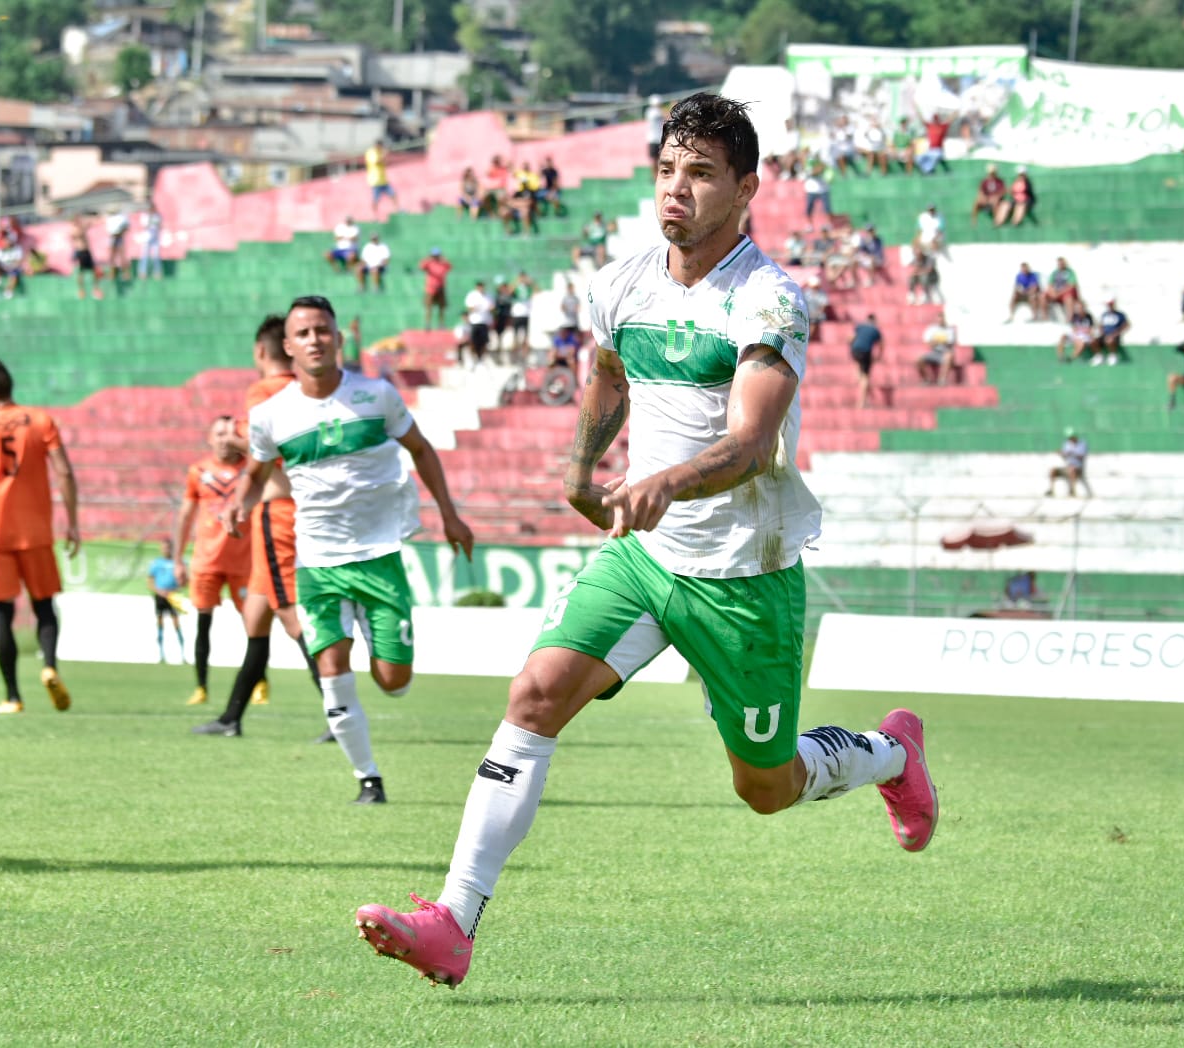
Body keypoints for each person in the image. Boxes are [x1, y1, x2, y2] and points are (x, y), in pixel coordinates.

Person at [354, 93, 937, 989]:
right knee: (535, 693)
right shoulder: (621, 281)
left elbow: (748, 443)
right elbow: (609, 372)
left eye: (701, 174)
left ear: (745, 188)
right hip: (644, 555)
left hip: (743, 572)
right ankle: (451, 922)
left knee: (766, 788)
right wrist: (580, 468)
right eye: (667, 170)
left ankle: (893, 755)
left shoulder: (770, 299)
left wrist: (665, 479)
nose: (677, 189)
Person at [219, 294, 475, 805]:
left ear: (338, 336)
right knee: (332, 668)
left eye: (322, 330)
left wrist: (449, 513)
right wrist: (237, 503)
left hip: (379, 555)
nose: (314, 339)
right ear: (288, 346)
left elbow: (421, 449)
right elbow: (256, 470)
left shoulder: (377, 395)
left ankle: (379, 654)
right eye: (304, 333)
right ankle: (368, 779)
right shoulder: (271, 415)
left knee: (393, 681)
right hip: (316, 562)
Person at [190, 316, 331, 735]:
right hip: (292, 510)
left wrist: (232, 439)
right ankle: (231, 718)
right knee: (256, 615)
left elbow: (263, 444)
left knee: (289, 614)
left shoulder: (264, 391)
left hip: (278, 514)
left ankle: (337, 710)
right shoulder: (307, 390)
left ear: (259, 351)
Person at [0, 358, 80, 715]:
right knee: (44, 606)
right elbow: (65, 472)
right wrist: (72, 522)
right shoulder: (41, 420)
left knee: (2, 614)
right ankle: (50, 667)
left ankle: (12, 696)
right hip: (36, 528)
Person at [173, 417, 254, 707]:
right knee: (203, 625)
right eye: (219, 433)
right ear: (209, 438)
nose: (224, 439)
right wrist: (178, 560)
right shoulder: (199, 471)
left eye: (230, 434)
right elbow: (185, 516)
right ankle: (201, 686)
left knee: (255, 626)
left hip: (245, 560)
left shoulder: (252, 469)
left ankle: (259, 683)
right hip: (207, 561)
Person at [148, 538, 186, 664]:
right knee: (160, 624)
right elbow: (150, 581)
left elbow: (185, 580)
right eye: (164, 547)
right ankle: (161, 655)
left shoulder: (178, 563)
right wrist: (159, 591)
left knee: (176, 624)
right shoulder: (156, 563)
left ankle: (183, 655)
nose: (166, 549)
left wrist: (176, 589)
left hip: (173, 596)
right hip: (160, 596)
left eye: (168, 547)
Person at [850, 312, 884, 409]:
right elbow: (882, 345)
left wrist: (851, 348)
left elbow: (850, 338)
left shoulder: (860, 327)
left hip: (855, 350)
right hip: (865, 352)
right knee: (866, 377)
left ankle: (858, 378)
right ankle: (861, 403)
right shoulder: (875, 330)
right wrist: (878, 357)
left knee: (859, 366)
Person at [1045, 426, 1091, 497]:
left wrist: (1072, 453)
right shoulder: (1067, 444)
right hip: (1068, 466)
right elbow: (1065, 456)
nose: (1070, 439)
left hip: (1078, 467)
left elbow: (1082, 456)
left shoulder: (1082, 443)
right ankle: (1051, 490)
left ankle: (1072, 491)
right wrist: (1061, 453)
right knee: (1053, 470)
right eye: (1069, 438)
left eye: (1071, 437)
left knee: (1072, 469)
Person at [916, 312, 958, 386]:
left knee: (948, 356)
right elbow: (929, 343)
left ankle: (942, 380)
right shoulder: (931, 329)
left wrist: (937, 341)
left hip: (946, 352)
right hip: (934, 352)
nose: (940, 321)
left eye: (942, 319)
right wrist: (941, 341)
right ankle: (926, 379)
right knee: (918, 360)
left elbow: (949, 344)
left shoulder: (950, 329)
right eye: (938, 319)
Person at [70, 213, 102, 300]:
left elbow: (89, 224)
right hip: (81, 253)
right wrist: (84, 227)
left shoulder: (81, 228)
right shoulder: (74, 229)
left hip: (87, 252)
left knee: (94, 271)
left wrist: (91, 222)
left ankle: (95, 289)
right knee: (81, 272)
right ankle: (81, 291)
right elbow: (77, 234)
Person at [419, 247, 451, 329]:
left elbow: (449, 267)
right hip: (430, 288)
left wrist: (444, 259)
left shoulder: (443, 263)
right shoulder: (429, 263)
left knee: (441, 307)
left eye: (437, 255)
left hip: (440, 287)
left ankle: (441, 324)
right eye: (434, 255)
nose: (435, 257)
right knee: (429, 307)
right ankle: (427, 324)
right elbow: (421, 266)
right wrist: (429, 259)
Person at [463, 280, 493, 367]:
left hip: (484, 322)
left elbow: (492, 308)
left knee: (484, 342)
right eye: (479, 286)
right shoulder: (472, 295)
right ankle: (473, 359)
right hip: (474, 322)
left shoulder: (488, 296)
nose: (481, 288)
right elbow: (469, 308)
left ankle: (481, 359)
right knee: (473, 342)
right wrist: (477, 308)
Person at [365, 140, 397, 217]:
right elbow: (377, 162)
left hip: (383, 180)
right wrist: (384, 154)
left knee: (393, 194)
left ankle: (396, 210)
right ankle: (374, 215)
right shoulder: (371, 153)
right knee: (376, 199)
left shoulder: (380, 152)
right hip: (375, 181)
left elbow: (385, 162)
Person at [1094, 298, 1129, 365]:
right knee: (1094, 340)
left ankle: (1112, 355)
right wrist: (1102, 332)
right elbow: (1100, 325)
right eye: (1109, 305)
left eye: (1111, 305)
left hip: (1115, 336)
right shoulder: (1104, 314)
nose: (1110, 306)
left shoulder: (1120, 315)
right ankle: (1099, 356)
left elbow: (1126, 325)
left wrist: (1115, 334)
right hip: (1105, 335)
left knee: (1110, 340)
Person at [137, 204, 163, 281]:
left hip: (155, 237)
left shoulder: (157, 216)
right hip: (147, 238)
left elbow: (160, 225)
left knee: (156, 256)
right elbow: (145, 225)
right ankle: (142, 272)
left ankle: (157, 272)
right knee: (145, 255)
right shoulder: (145, 216)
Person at [106, 207, 131, 282]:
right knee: (112, 257)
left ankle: (125, 273)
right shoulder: (110, 218)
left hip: (119, 237)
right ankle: (113, 272)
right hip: (113, 237)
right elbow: (109, 229)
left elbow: (126, 227)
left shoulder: (121, 218)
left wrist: (121, 231)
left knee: (122, 256)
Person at [644, 94, 666, 176]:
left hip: (659, 138)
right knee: (654, 159)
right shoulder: (652, 112)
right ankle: (654, 176)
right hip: (653, 138)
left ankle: (660, 175)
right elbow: (666, 115)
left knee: (660, 158)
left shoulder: (656, 111)